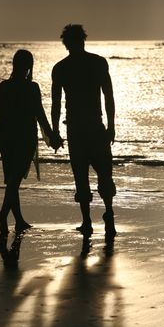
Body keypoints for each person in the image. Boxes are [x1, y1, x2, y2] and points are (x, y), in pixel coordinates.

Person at [51, 24, 117, 238]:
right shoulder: (98, 63)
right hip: (95, 127)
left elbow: (56, 104)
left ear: (66, 44)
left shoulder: (61, 68)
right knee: (104, 175)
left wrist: (54, 131)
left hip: (77, 131)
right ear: (83, 40)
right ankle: (109, 214)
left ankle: (87, 222)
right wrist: (112, 125)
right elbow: (108, 96)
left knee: (81, 177)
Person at [0, 49, 62, 235]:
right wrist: (52, 135)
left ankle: (18, 220)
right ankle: (3, 214)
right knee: (14, 180)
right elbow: (40, 116)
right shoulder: (31, 88)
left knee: (12, 180)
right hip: (25, 139)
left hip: (8, 138)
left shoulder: (5, 87)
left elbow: (1, 117)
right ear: (28, 67)